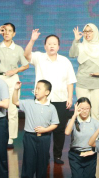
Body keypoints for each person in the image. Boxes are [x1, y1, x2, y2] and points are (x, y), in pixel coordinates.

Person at [25, 30, 77, 165]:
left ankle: (57, 155)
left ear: (58, 46)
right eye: (49, 44)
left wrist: (70, 97)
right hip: (43, 100)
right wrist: (32, 40)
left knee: (59, 129)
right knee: (43, 128)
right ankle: (44, 155)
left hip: (61, 99)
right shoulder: (39, 57)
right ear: (45, 46)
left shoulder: (65, 61)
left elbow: (70, 81)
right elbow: (26, 55)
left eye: (54, 44)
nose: (51, 46)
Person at [0, 23, 29, 149]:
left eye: (9, 31)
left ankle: (10, 138)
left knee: (12, 110)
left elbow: (26, 65)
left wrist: (15, 70)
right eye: (4, 30)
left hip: (12, 79)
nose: (6, 33)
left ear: (14, 33)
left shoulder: (18, 49)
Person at [15, 80, 60, 178]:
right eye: (36, 88)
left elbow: (55, 123)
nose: (36, 90)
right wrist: (16, 89)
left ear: (47, 92)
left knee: (42, 162)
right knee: (28, 161)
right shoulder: (29, 103)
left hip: (44, 137)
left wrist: (45, 130)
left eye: (39, 88)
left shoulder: (51, 107)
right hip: (30, 136)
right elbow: (15, 101)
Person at [69, 24, 99, 120]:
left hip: (98, 84)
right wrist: (76, 40)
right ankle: (82, 130)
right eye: (85, 31)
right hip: (82, 83)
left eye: (90, 31)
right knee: (82, 113)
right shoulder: (80, 46)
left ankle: (95, 130)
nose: (87, 33)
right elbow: (72, 54)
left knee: (96, 114)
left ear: (95, 32)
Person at [64, 97, 99, 178]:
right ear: (77, 108)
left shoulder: (95, 123)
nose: (85, 111)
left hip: (90, 155)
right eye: (82, 108)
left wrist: (93, 151)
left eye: (87, 108)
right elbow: (67, 132)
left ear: (90, 109)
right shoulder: (72, 121)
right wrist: (74, 115)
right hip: (76, 155)